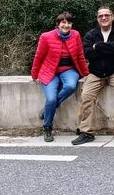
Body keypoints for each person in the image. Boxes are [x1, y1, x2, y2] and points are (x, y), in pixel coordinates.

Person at [72, 7, 114, 146]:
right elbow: (88, 54)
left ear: (112, 16)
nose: (104, 18)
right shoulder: (90, 35)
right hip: (96, 72)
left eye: (107, 15)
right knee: (86, 95)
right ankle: (86, 132)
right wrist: (110, 48)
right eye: (101, 16)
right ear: (97, 18)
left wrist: (98, 46)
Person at [31, 11, 88, 142]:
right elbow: (39, 56)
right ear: (58, 24)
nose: (66, 25)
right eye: (63, 22)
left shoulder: (76, 35)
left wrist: (86, 73)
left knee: (69, 86)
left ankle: (46, 111)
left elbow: (80, 55)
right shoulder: (46, 37)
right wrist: (34, 74)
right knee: (50, 99)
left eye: (68, 22)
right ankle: (47, 127)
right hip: (50, 71)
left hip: (69, 70)